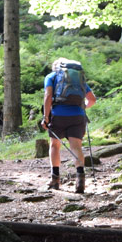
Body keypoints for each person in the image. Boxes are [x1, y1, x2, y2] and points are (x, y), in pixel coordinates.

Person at [41, 60, 97, 193]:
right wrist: (82, 108)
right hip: (77, 116)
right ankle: (80, 181)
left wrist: (46, 117)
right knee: (76, 147)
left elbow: (48, 96)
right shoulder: (78, 80)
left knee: (55, 145)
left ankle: (55, 180)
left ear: (56, 68)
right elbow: (92, 99)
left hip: (58, 116)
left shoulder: (51, 77)